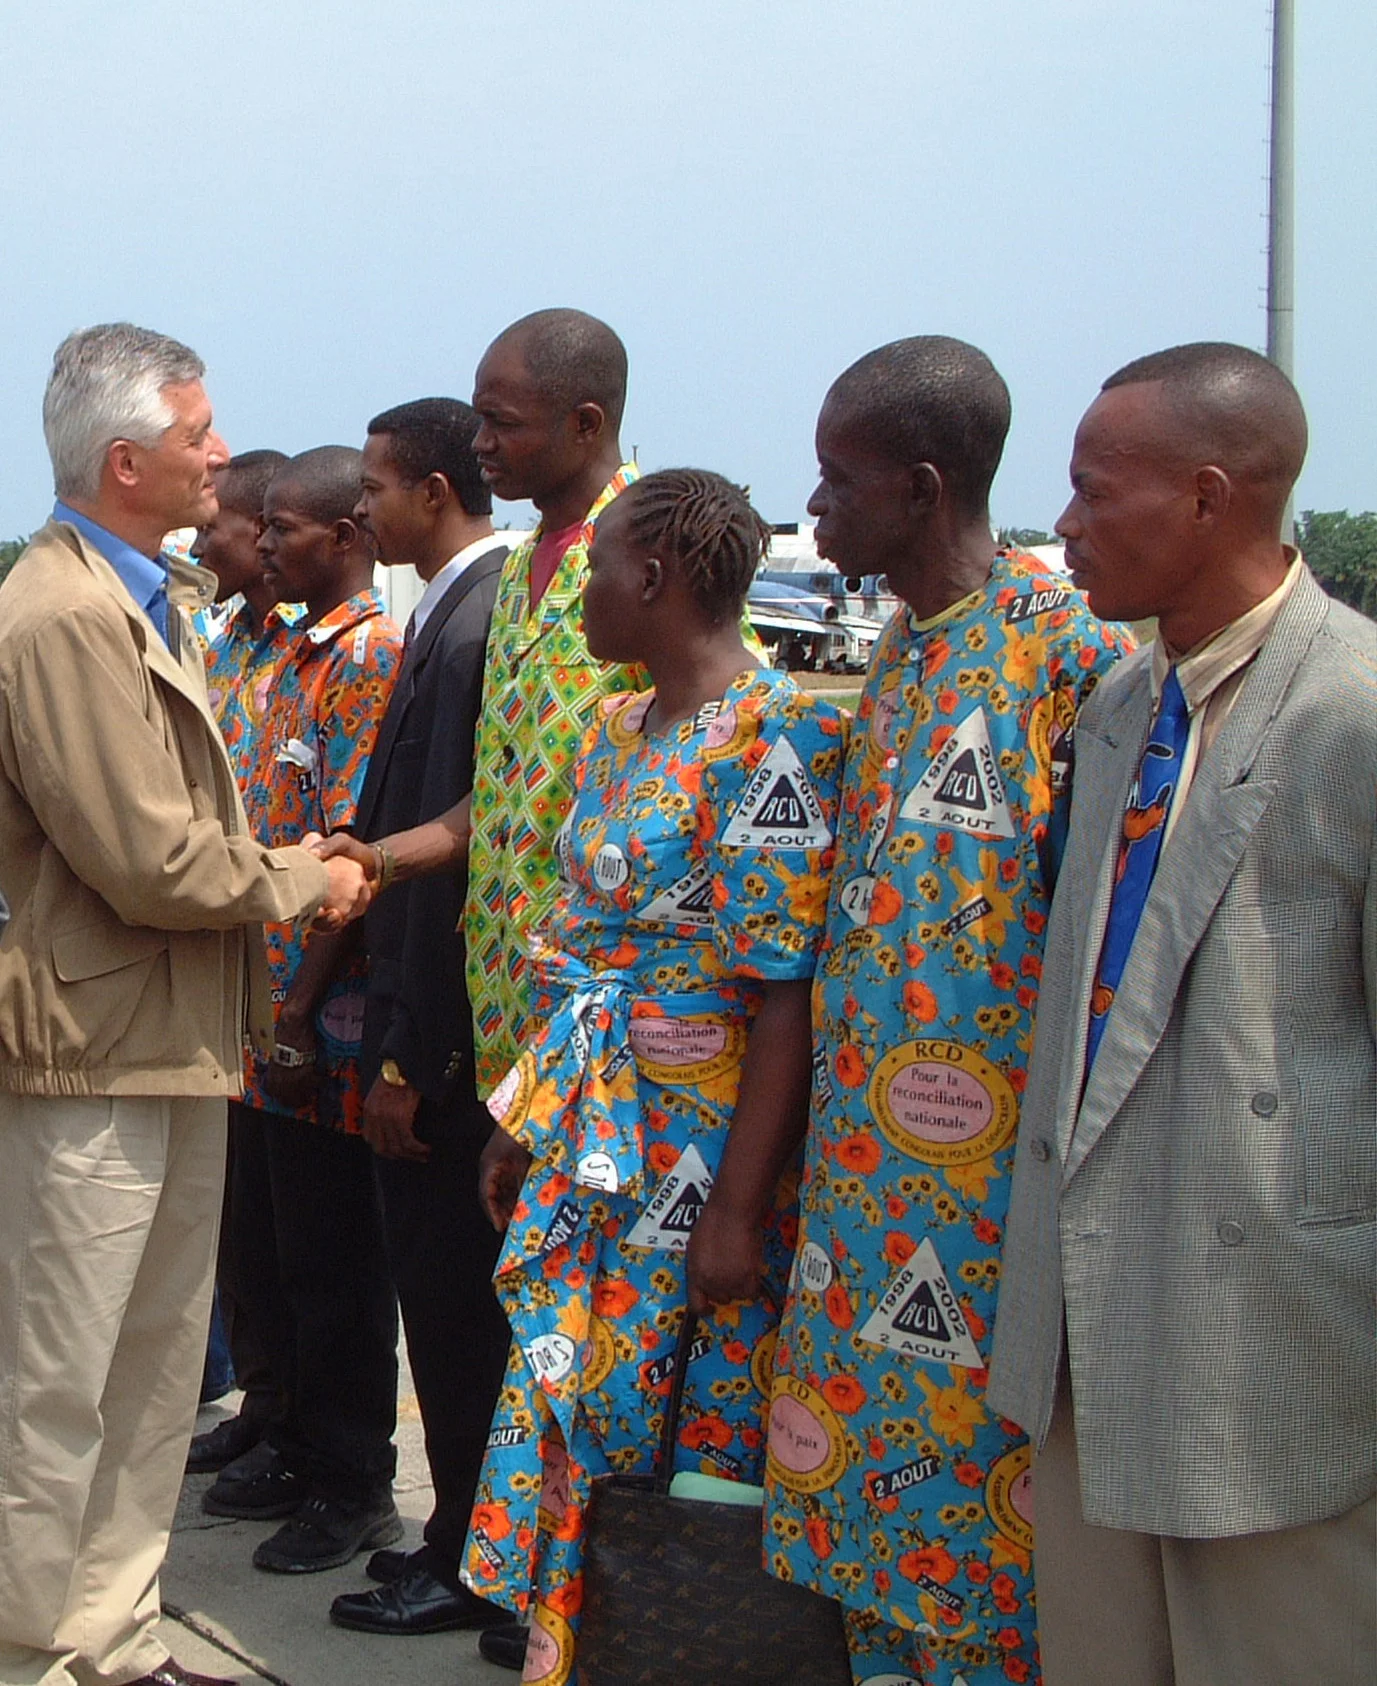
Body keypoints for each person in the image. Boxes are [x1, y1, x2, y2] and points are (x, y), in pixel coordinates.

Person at [987, 342, 1377, 1686]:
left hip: (1275, 1359)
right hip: (1090, 1340)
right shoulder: (1119, 709)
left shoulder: (1351, 717)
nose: (1067, 524)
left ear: (1208, 498)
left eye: (1097, 492)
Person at [0, 323, 369, 1686]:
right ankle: (36, 1651)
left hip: (165, 1038)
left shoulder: (142, 598)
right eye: (199, 433)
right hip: (91, 1051)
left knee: (149, 1373)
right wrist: (310, 876)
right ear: (126, 459)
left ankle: (109, 1634)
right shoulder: (63, 615)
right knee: (59, 1383)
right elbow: (148, 858)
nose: (221, 457)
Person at [759, 337, 1130, 1686]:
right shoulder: (901, 652)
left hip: (989, 1217)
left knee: (985, 1546)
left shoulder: (1071, 660)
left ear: (920, 488)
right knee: (866, 1530)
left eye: (837, 479)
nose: (816, 507)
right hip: (861, 1193)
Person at [464, 468, 849, 1686]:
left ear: (652, 576)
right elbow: (582, 951)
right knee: (583, 1407)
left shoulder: (781, 733)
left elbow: (784, 995)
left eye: (595, 573)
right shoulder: (615, 729)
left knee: (682, 1442)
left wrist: (735, 1210)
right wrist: (524, 1128)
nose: (579, 595)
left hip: (702, 1159)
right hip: (595, 1148)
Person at [322, 399, 512, 1636]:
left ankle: (470, 1557)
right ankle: (456, 1540)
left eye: (377, 487)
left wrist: (409, 1050)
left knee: (453, 1320)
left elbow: (460, 855)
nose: (362, 509)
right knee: (439, 1317)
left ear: (433, 492)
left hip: (441, 1040)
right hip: (422, 1022)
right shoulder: (452, 612)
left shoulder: (481, 619)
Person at [200, 448, 407, 1575]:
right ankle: (280, 1426)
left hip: (314, 1012)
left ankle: (351, 1477)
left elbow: (350, 858)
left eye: (281, 529)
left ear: (344, 537)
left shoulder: (366, 658)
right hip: (253, 998)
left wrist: (297, 1010)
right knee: (265, 1241)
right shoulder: (274, 647)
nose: (263, 545)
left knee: (333, 1258)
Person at [186, 448, 301, 1476]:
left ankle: (327, 1454)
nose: (198, 539)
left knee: (320, 1246)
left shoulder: (337, 653)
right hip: (230, 985)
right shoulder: (225, 646)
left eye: (214, 523)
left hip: (301, 987)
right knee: (247, 1231)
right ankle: (264, 1410)